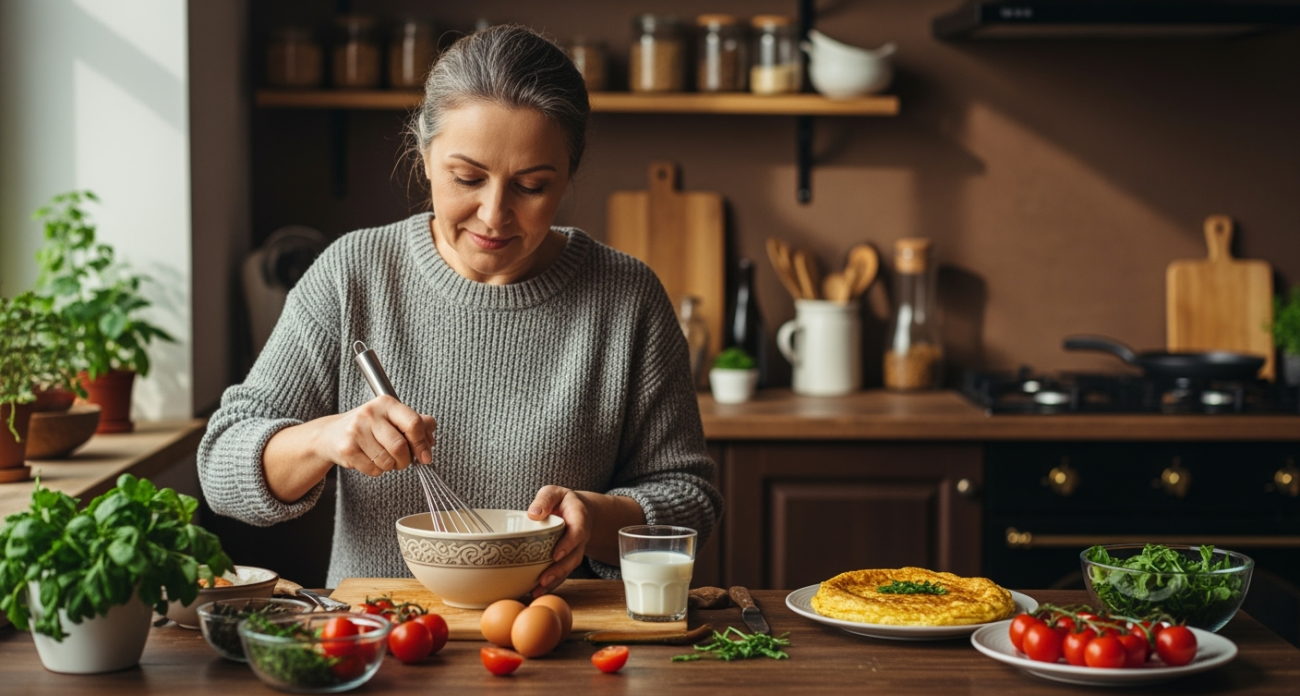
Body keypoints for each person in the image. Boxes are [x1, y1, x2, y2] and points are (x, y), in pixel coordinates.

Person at [198, 25, 723, 593]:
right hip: (384, 641)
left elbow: (690, 498)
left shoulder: (627, 297)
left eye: (531, 186)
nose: (494, 214)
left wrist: (597, 520)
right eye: (467, 178)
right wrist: (326, 438)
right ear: (424, 158)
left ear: (569, 174)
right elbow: (221, 467)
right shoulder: (354, 273)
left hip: (564, 641)